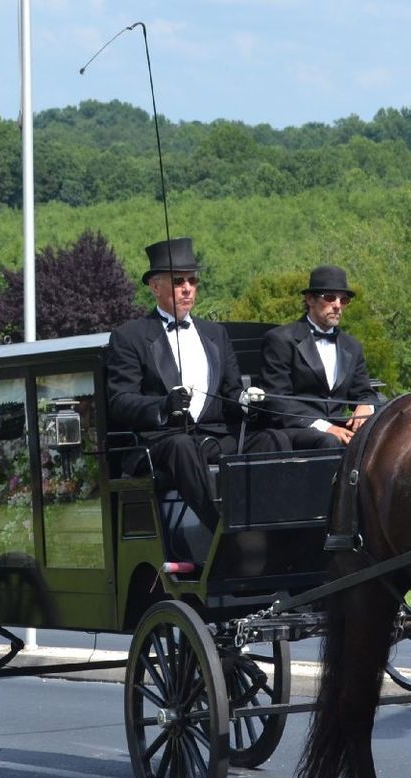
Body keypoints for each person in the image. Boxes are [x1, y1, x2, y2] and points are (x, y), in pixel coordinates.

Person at [104, 237, 285, 568]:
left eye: (192, 280)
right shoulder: (130, 337)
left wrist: (245, 400)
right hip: (161, 444)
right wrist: (162, 405)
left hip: (214, 437)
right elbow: (120, 400)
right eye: (178, 281)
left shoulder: (214, 334)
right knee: (182, 446)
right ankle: (221, 531)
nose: (187, 288)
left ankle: (275, 528)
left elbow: (230, 392)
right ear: (155, 287)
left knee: (275, 439)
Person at [259, 265, 378, 450]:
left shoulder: (352, 346)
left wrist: (366, 406)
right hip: (294, 429)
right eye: (330, 297)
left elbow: (365, 391)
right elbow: (277, 401)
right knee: (329, 441)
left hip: (338, 427)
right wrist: (326, 427)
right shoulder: (281, 340)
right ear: (310, 299)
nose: (337, 305)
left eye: (344, 300)